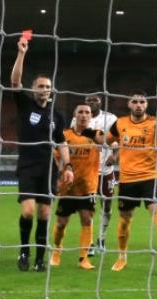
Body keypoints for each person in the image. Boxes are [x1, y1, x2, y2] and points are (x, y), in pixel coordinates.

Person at [10, 37, 74, 272]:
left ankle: (39, 258)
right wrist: (21, 53)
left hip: (48, 167)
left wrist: (68, 166)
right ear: (33, 89)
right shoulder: (25, 105)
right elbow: (14, 81)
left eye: (48, 87)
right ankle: (24, 252)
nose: (44, 90)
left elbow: (61, 141)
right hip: (27, 165)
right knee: (27, 212)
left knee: (45, 213)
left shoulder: (56, 115)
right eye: (40, 86)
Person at [106, 90, 157, 274]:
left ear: (146, 105)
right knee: (124, 220)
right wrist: (114, 152)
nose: (139, 105)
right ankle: (121, 258)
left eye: (142, 102)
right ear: (129, 104)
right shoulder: (120, 123)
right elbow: (107, 140)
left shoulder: (156, 123)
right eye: (135, 101)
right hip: (127, 180)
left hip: (150, 178)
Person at [50, 104, 104, 270]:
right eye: (80, 112)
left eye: (87, 112)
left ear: (91, 116)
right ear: (74, 115)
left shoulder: (96, 135)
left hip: (88, 186)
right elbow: (56, 158)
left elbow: (107, 142)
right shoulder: (64, 135)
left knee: (87, 219)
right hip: (67, 187)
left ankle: (83, 258)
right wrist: (56, 179)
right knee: (61, 223)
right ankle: (56, 252)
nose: (84, 115)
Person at [70, 94, 118, 254]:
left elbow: (120, 139)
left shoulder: (111, 118)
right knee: (87, 207)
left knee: (107, 205)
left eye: (95, 100)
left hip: (106, 170)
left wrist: (115, 155)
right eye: (89, 101)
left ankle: (101, 239)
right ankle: (89, 243)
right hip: (87, 171)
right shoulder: (78, 119)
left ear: (100, 102)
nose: (92, 103)